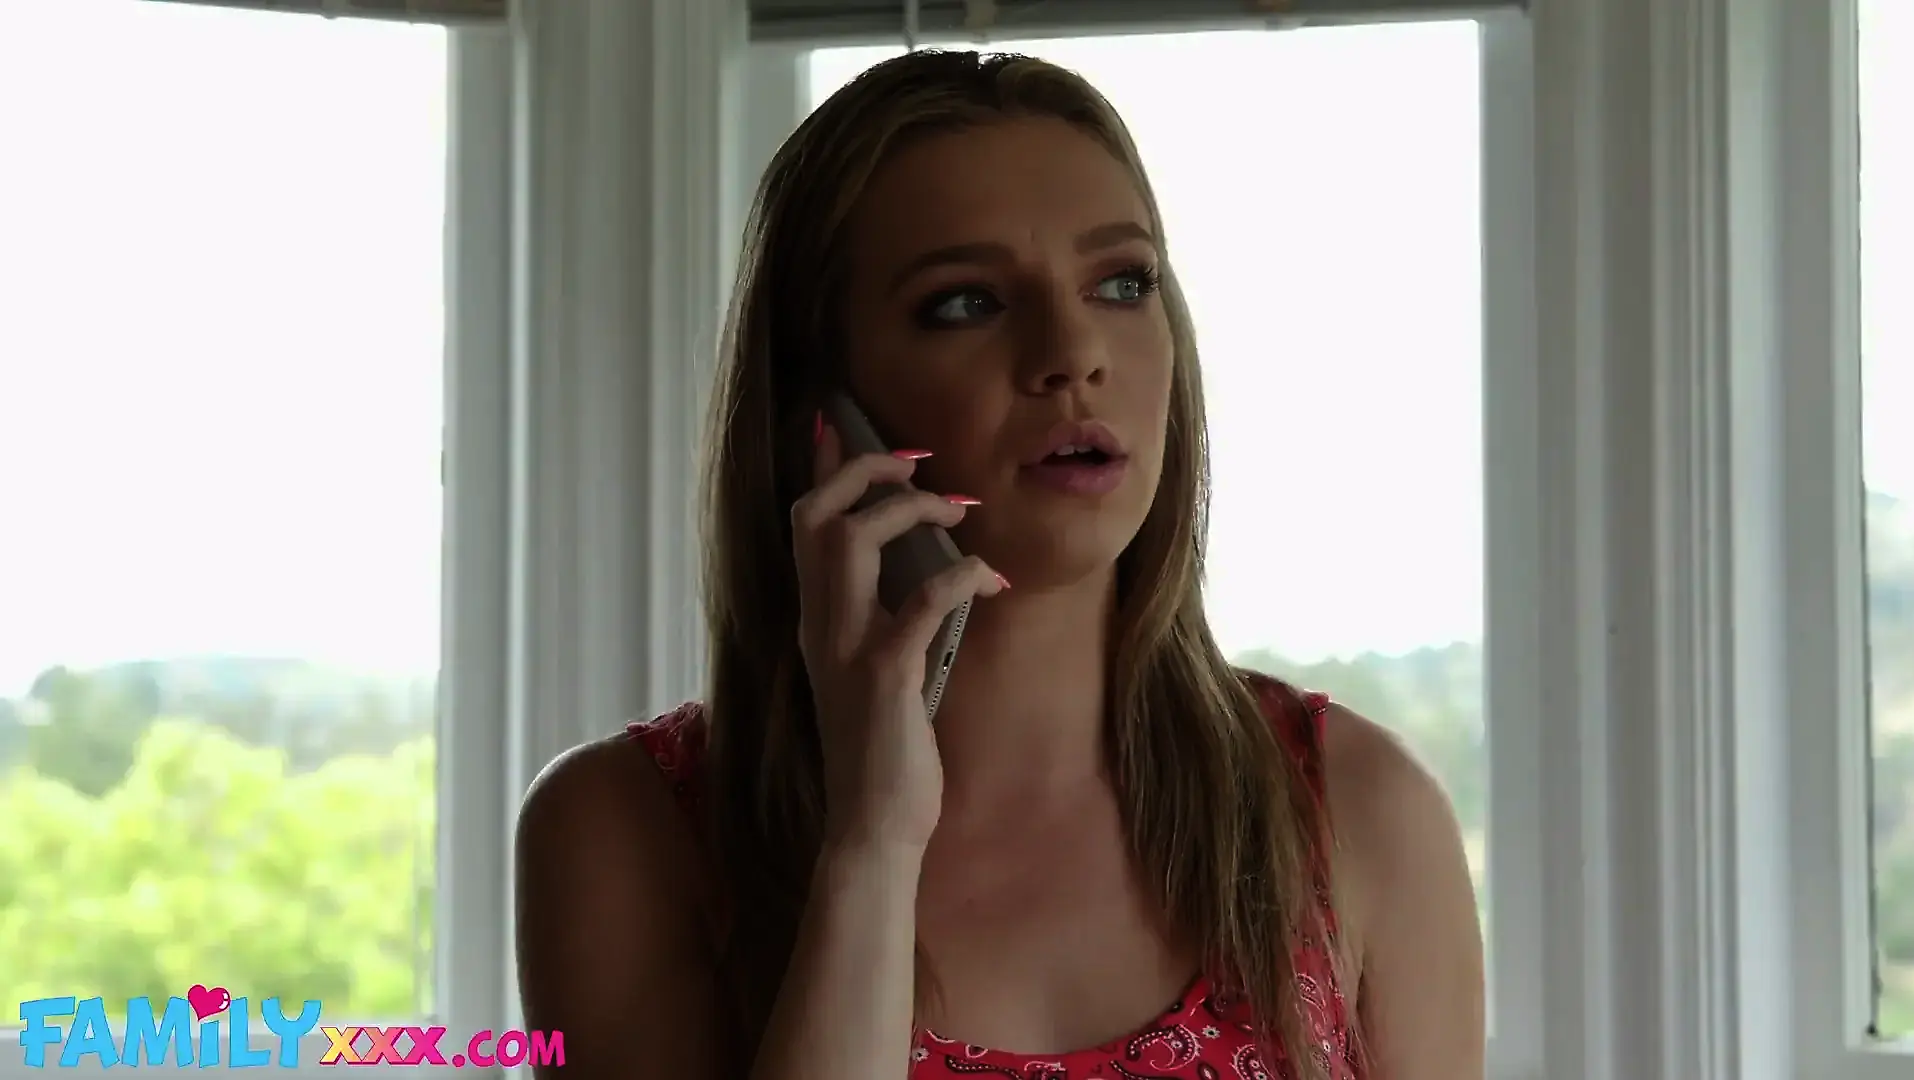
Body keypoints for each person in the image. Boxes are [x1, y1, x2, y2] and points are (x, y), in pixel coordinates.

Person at [512, 48, 1484, 1080]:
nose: (1073, 352)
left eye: (1123, 283)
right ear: (821, 411)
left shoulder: (1354, 814)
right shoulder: (627, 831)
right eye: (967, 303)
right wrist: (870, 845)